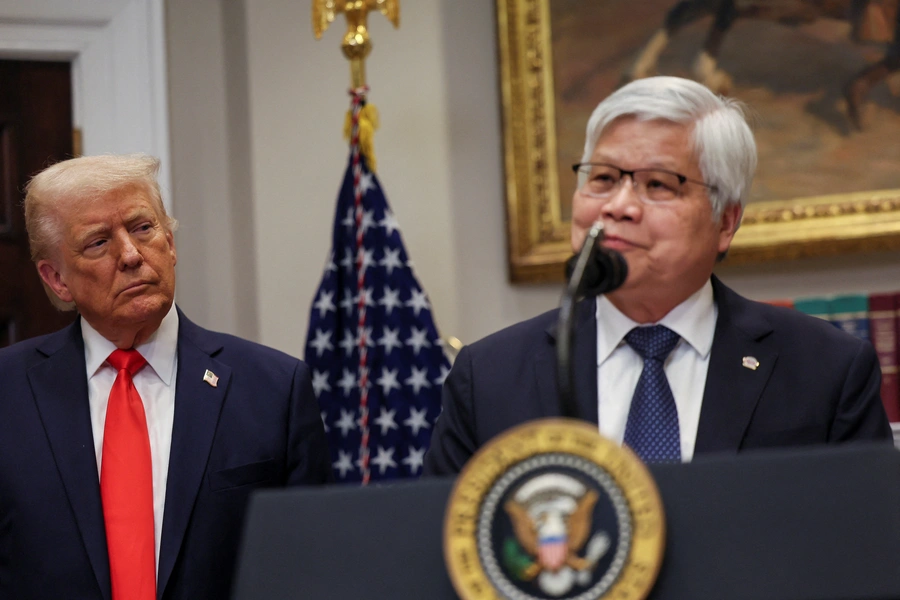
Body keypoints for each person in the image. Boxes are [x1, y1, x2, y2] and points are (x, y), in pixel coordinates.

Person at [424, 76, 892, 475]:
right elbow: (437, 555)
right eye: (603, 178)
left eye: (658, 185)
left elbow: (867, 556)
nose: (618, 206)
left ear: (725, 222)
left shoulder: (826, 369)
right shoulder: (488, 377)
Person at [0, 154, 331, 599]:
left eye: (142, 228)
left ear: (170, 244)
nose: (132, 255)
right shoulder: (8, 392)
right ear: (57, 279)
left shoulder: (274, 389)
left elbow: (312, 569)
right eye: (98, 242)